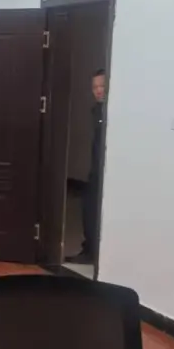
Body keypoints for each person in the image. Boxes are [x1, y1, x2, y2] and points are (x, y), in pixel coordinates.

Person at [67, 69, 105, 263]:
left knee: (94, 210)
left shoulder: (111, 112)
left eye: (102, 86)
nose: (98, 91)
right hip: (95, 170)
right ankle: (89, 248)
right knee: (88, 207)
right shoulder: (96, 111)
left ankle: (93, 252)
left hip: (106, 170)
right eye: (94, 87)